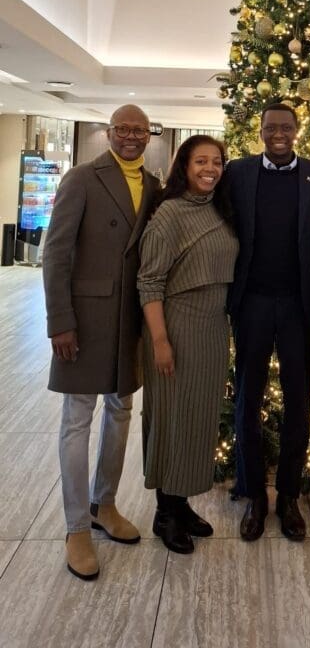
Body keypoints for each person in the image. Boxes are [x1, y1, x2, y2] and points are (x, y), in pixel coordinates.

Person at [43, 105, 161, 581]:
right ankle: (76, 529)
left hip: (128, 318)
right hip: (86, 319)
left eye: (139, 130)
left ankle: (104, 504)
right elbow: (56, 251)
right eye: (123, 129)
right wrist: (60, 321)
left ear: (149, 135)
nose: (131, 136)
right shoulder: (82, 177)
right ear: (110, 132)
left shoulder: (153, 186)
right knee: (77, 418)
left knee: (121, 411)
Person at [225, 102, 310, 541]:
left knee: (297, 401)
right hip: (251, 302)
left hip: (297, 305)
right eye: (271, 127)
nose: (279, 134)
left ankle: (289, 494)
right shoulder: (238, 172)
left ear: (296, 130)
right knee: (247, 400)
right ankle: (255, 494)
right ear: (261, 130)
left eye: (286, 127)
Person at [137, 136, 238, 554]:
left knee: (198, 419)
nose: (209, 168)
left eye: (216, 161)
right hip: (175, 326)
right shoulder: (169, 213)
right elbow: (149, 281)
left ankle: (182, 503)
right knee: (172, 418)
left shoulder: (221, 208)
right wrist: (160, 340)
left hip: (213, 328)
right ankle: (166, 513)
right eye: (200, 161)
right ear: (185, 165)